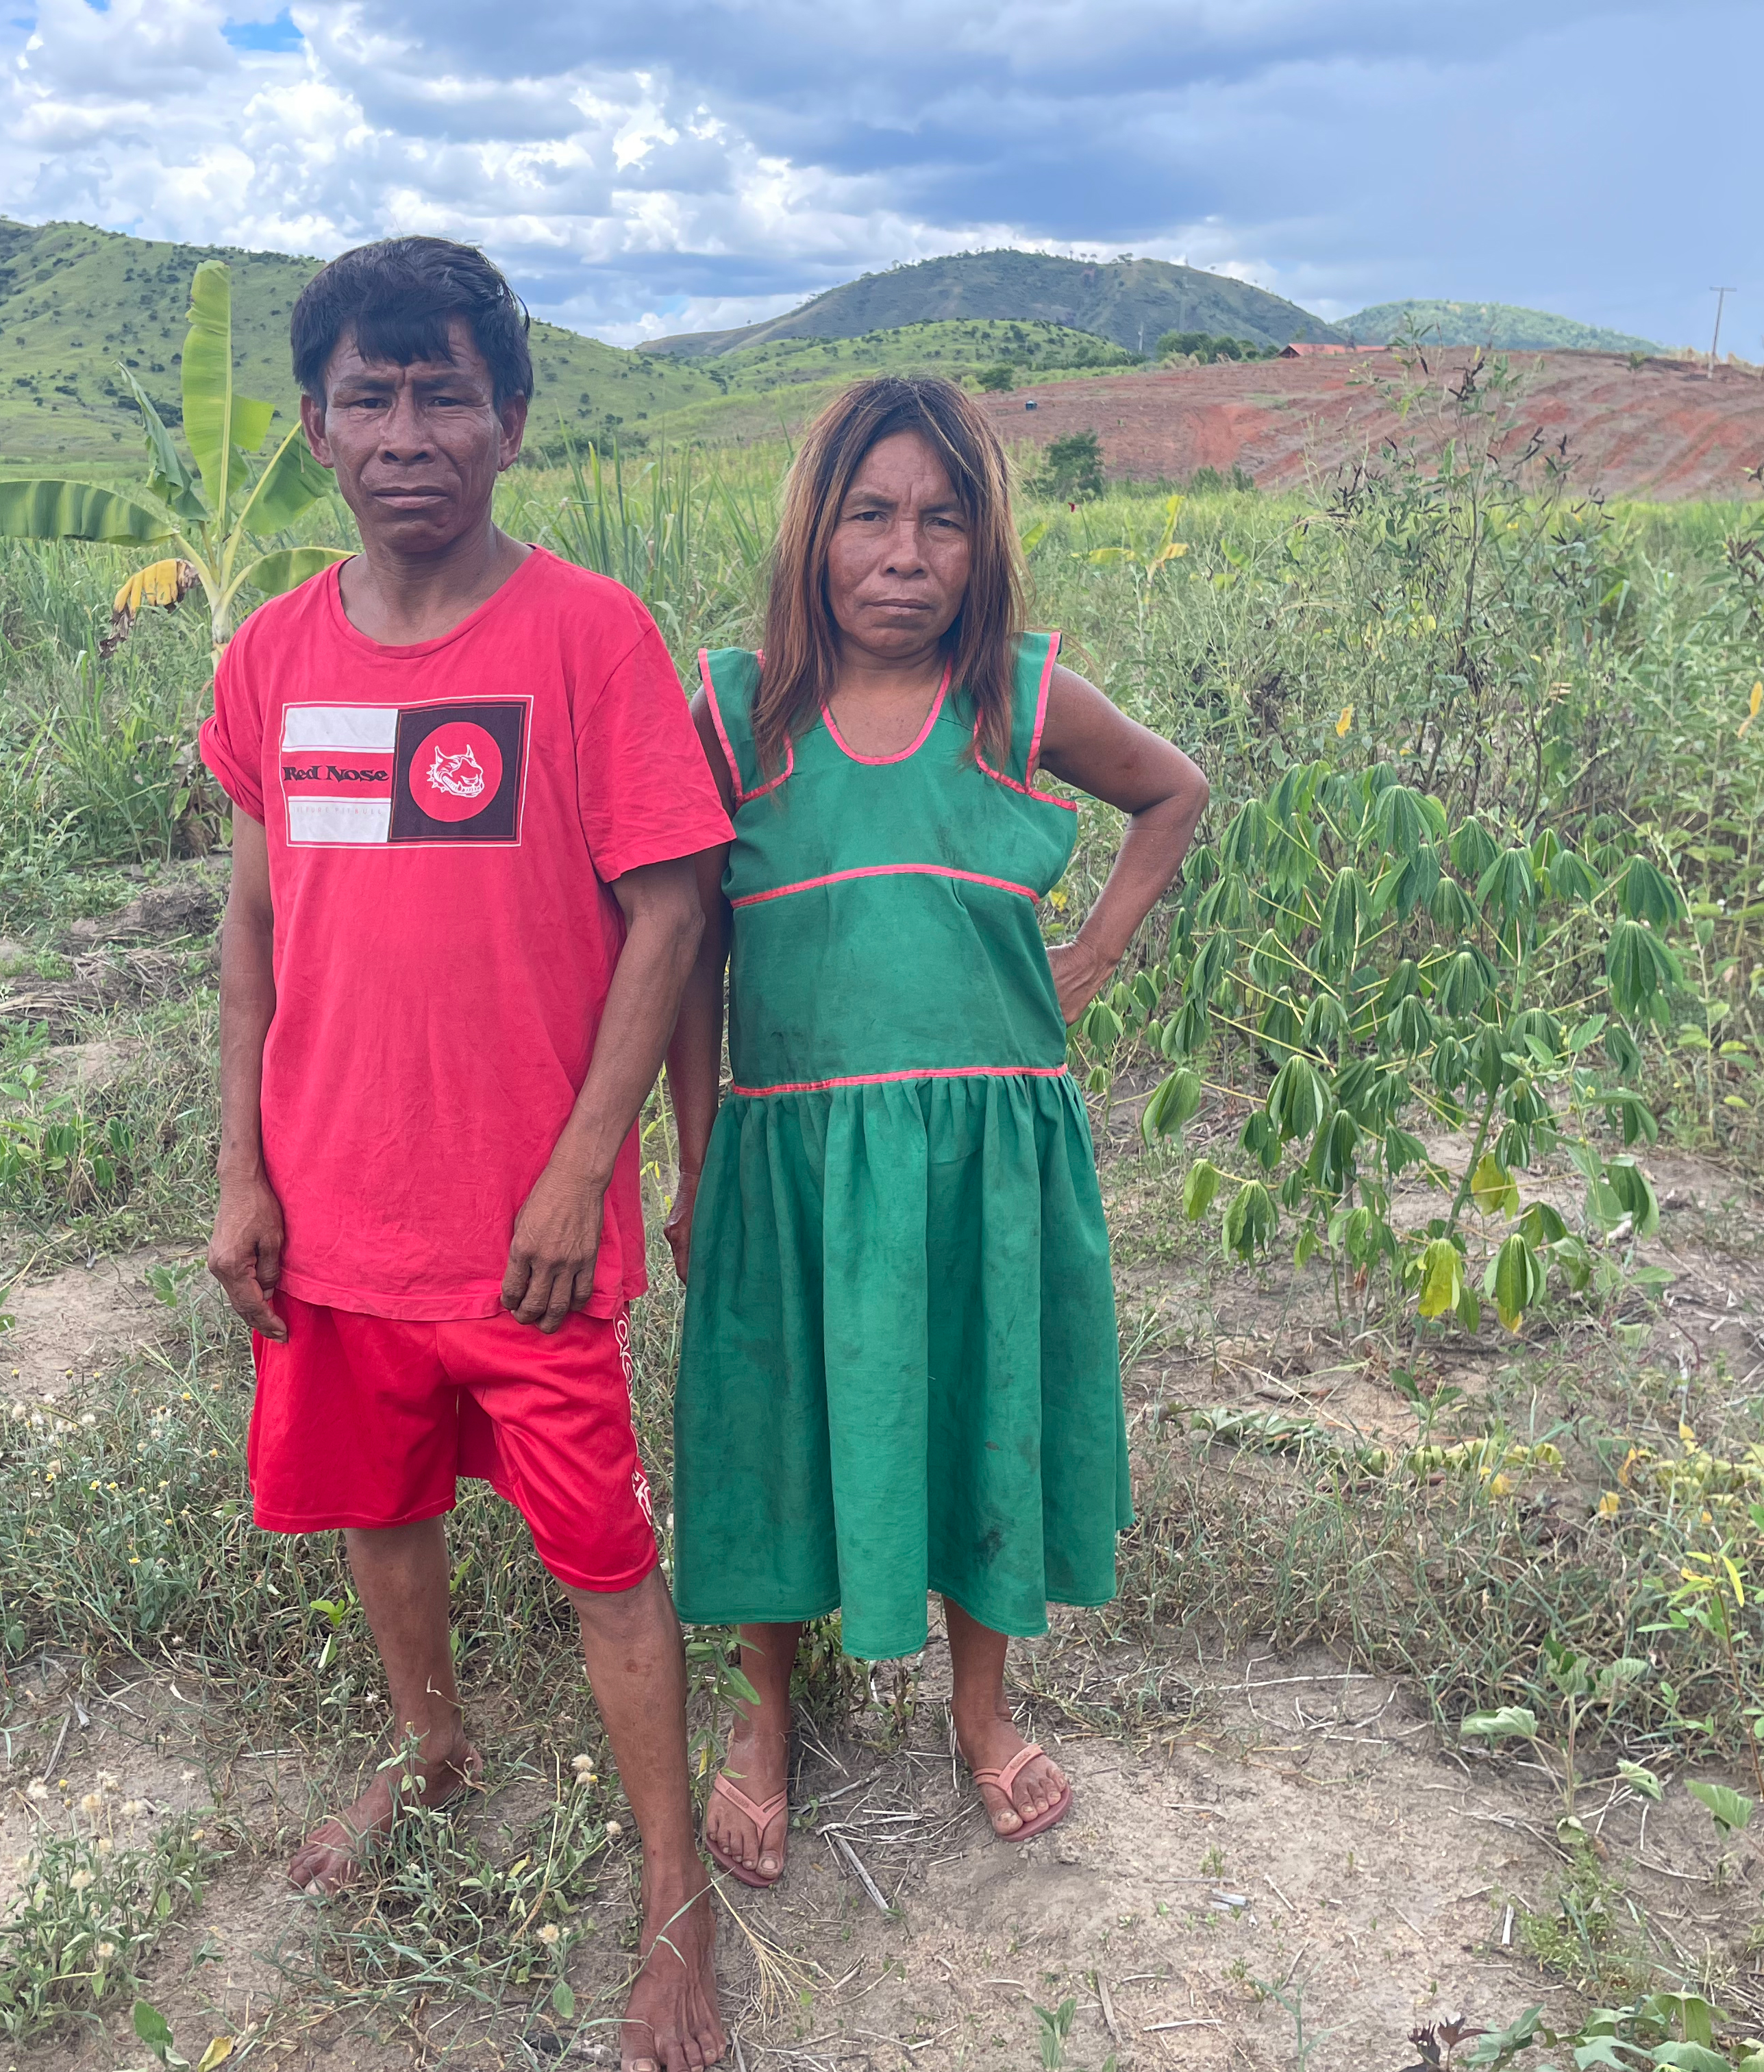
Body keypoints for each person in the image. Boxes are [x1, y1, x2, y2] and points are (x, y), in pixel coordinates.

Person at [202, 236, 728, 2071]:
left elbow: (671, 910)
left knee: (604, 1557)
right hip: (332, 1217)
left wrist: (586, 1166)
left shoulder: (591, 639)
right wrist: (240, 1173)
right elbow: (252, 932)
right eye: (370, 393)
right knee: (384, 1509)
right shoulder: (272, 657)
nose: (405, 430)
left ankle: (675, 1906)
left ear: (511, 420)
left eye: (444, 392)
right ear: (315, 424)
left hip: (523, 1237)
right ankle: (431, 1752)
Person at [661, 377, 1209, 1886]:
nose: (905, 554)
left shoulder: (1016, 699)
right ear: (813, 533)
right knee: (776, 1426)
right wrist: (696, 1156)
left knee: (980, 1407)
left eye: (943, 519)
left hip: (983, 1158)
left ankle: (982, 1713)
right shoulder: (734, 710)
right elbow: (684, 954)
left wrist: (1089, 957)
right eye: (871, 515)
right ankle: (766, 1716)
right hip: (791, 1158)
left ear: (985, 546)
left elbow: (1173, 790)